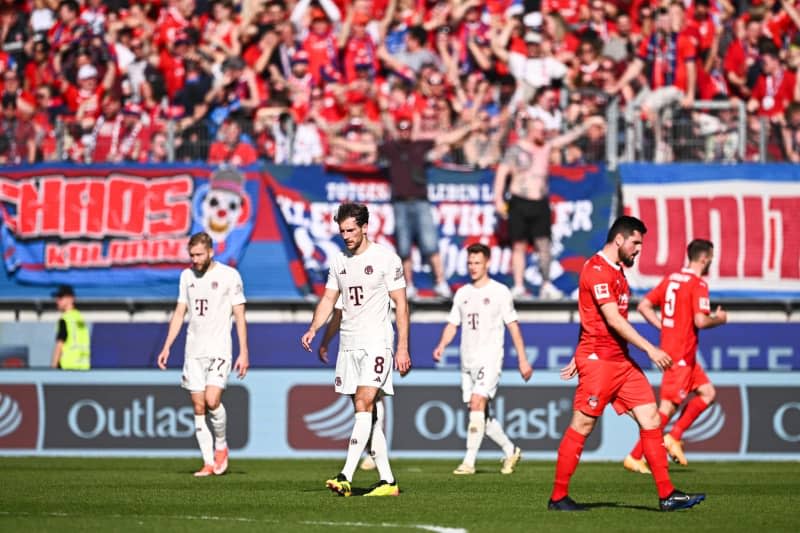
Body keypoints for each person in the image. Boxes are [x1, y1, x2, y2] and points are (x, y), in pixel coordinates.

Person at [548, 216, 705, 512]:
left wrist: (577, 351)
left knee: (652, 419)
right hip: (599, 362)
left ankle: (667, 494)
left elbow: (590, 316)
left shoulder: (618, 272)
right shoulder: (595, 270)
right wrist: (649, 348)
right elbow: (612, 319)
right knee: (583, 424)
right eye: (635, 243)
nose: (638, 250)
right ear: (619, 240)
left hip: (620, 361)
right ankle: (558, 497)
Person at [301, 202, 411, 497]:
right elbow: (328, 300)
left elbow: (401, 304)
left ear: (365, 227)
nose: (346, 235)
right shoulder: (339, 260)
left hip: (377, 342)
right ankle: (388, 482)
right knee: (368, 415)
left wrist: (402, 348)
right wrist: (314, 329)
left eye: (351, 230)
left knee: (364, 403)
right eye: (342, 230)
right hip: (349, 344)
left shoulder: (386, 259)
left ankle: (345, 474)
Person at [624, 239, 727, 473]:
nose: (711, 261)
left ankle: (675, 436)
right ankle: (635, 455)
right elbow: (701, 320)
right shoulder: (697, 284)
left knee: (708, 393)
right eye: (711, 257)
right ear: (705, 258)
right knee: (667, 409)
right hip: (679, 355)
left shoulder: (672, 279)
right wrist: (719, 319)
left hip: (684, 355)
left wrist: (664, 327)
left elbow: (643, 306)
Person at [432, 243, 533, 475]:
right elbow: (452, 324)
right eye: (470, 263)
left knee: (478, 402)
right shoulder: (463, 293)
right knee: (479, 413)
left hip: (489, 358)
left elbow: (513, 327)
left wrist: (523, 359)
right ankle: (511, 449)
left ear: (487, 263)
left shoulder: (500, 292)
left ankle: (469, 461)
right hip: (467, 360)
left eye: (477, 262)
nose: (473, 267)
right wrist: (441, 345)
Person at [157, 231, 250, 477]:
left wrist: (244, 352)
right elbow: (180, 313)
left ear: (211, 252)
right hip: (193, 351)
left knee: (212, 401)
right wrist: (167, 346)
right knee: (198, 407)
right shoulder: (186, 276)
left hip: (219, 349)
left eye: (199, 254)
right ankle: (208, 462)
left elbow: (239, 315)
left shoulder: (229, 275)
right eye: (192, 255)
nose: (195, 259)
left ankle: (221, 446)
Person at [494, 115, 605, 300]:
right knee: (519, 245)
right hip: (520, 200)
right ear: (529, 130)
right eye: (538, 129)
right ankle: (519, 285)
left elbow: (566, 138)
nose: (542, 132)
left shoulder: (546, 147)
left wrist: (587, 124)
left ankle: (546, 285)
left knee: (544, 245)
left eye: (543, 129)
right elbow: (502, 173)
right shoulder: (516, 150)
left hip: (540, 202)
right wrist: (498, 199)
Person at [50, 284, 90, 370]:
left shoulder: (65, 319)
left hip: (67, 367)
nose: (57, 301)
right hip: (83, 368)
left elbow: (59, 346)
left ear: (70, 299)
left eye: (60, 297)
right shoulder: (80, 318)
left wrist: (52, 369)